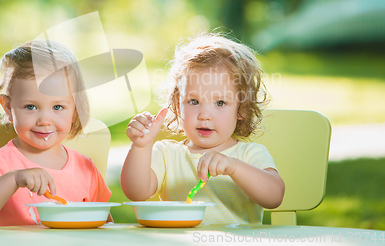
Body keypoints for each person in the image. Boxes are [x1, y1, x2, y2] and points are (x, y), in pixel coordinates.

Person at [121, 33, 285, 225]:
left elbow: (274, 197)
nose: (204, 114)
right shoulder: (167, 154)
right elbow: (136, 192)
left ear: (241, 108)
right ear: (177, 103)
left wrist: (233, 167)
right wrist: (140, 147)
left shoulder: (249, 155)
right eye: (194, 101)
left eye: (220, 102)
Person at [0, 40, 111, 227]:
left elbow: (104, 225)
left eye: (58, 107)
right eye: (30, 107)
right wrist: (14, 179)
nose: (44, 120)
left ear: (75, 110)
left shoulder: (86, 168)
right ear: (8, 107)